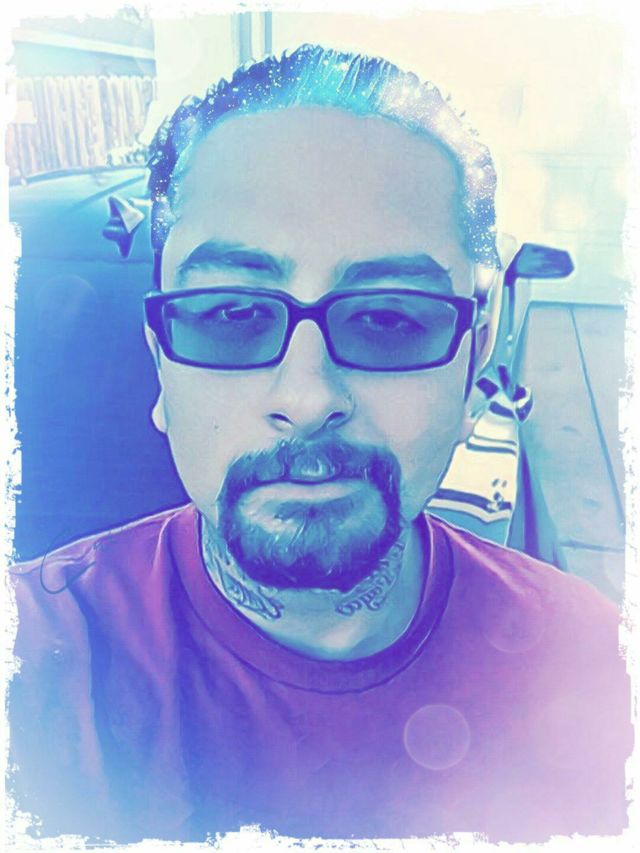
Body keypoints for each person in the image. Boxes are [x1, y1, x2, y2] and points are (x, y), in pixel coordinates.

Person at [9, 44, 632, 844]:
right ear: (161, 362)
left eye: (389, 317)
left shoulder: (601, 680)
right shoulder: (31, 666)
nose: (307, 398)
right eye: (232, 313)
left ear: (474, 359)